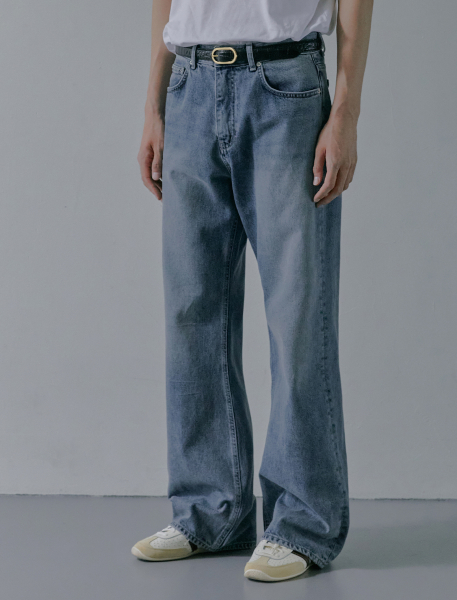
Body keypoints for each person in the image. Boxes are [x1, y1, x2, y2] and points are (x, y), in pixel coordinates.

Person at [133, 0, 373, 583]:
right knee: (193, 313)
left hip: (285, 87)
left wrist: (345, 111)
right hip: (189, 83)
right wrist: (153, 104)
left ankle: (303, 524)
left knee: (297, 316)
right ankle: (208, 511)